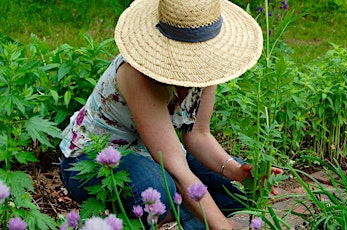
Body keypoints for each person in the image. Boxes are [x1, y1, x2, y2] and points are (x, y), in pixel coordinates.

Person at [59, 0, 282, 229]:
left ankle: (185, 209)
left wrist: (236, 171)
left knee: (238, 190)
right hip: (95, 158)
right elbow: (176, 166)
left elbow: (199, 135)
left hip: (156, 151)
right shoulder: (138, 75)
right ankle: (118, 221)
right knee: (157, 193)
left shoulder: (209, 66)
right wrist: (225, 227)